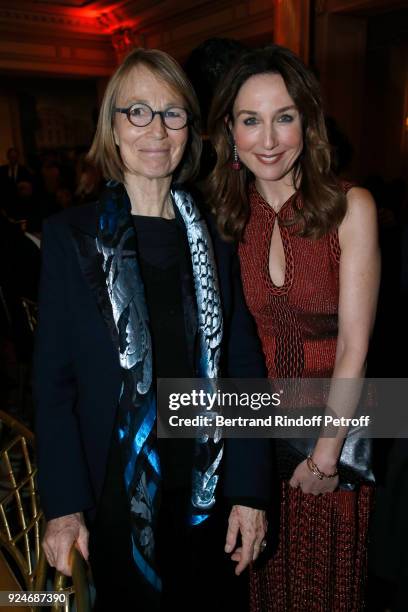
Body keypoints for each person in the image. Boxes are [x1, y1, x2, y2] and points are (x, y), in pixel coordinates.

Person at [33, 47, 272, 611]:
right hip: (111, 494)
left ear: (190, 129)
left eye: (172, 113)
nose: (156, 129)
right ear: (112, 129)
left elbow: (244, 372)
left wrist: (250, 490)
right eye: (137, 111)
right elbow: (53, 384)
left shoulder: (216, 238)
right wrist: (64, 506)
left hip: (206, 492)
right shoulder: (71, 237)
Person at [207, 45, 380, 611]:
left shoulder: (350, 208)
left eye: (284, 117)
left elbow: (355, 347)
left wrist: (326, 456)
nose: (269, 139)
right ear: (230, 133)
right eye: (250, 121)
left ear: (307, 120)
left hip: (330, 446)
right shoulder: (226, 222)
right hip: (257, 451)